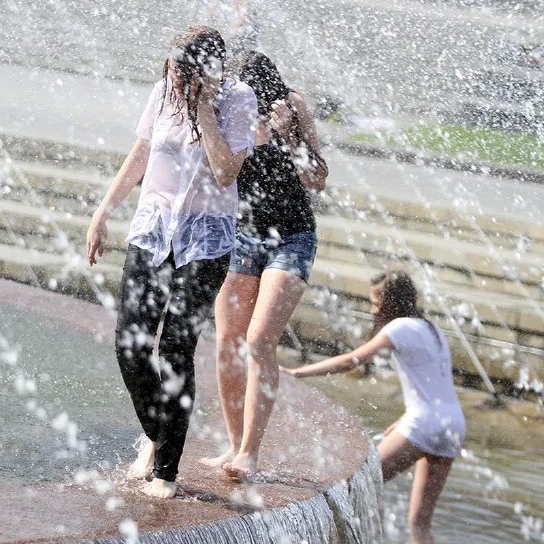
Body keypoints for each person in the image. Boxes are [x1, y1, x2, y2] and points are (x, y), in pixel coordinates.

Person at [86, 26, 256, 499]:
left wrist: (203, 110)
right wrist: (103, 212)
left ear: (207, 72)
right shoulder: (163, 91)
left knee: (176, 348)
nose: (175, 78)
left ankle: (166, 472)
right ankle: (157, 434)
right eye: (173, 69)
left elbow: (225, 172)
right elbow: (141, 153)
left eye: (185, 72)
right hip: (153, 232)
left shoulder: (237, 100)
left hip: (205, 241)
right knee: (130, 343)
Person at [200, 51, 327, 479]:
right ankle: (233, 446)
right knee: (227, 342)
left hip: (291, 239)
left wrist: (290, 136)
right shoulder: (231, 109)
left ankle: (251, 454)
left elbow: (318, 178)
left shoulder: (292, 107)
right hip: (241, 235)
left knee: (257, 342)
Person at [280, 271, 465, 544]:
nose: (372, 308)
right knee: (420, 522)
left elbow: (352, 361)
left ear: (391, 302)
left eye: (376, 302)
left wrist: (298, 374)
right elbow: (434, 384)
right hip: (453, 425)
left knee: (351, 488)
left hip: (423, 424)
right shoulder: (432, 329)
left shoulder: (398, 327)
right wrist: (404, 418)